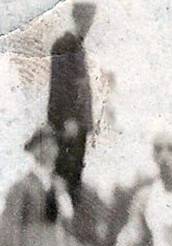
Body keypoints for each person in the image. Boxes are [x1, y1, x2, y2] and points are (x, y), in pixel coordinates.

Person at [48, 2, 96, 204]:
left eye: (91, 18)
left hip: (79, 123)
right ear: (77, 18)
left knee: (75, 174)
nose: (89, 23)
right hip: (69, 124)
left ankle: (70, 216)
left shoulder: (78, 45)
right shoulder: (64, 44)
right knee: (64, 173)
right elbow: (59, 85)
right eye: (85, 18)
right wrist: (67, 119)